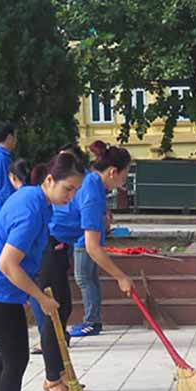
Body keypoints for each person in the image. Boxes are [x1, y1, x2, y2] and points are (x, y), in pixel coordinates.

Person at [0, 151, 85, 391]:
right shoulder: (31, 209)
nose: (71, 196)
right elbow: (8, 264)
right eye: (68, 189)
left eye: (75, 190)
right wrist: (38, 298)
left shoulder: (38, 200)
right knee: (16, 359)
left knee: (5, 353)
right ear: (50, 180)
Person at [53, 144, 136, 339]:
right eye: (125, 175)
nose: (125, 180)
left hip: (72, 239)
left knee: (84, 279)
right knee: (80, 281)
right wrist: (120, 276)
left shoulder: (93, 185)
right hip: (57, 238)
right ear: (113, 172)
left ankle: (90, 322)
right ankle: (63, 335)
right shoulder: (92, 190)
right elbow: (92, 246)